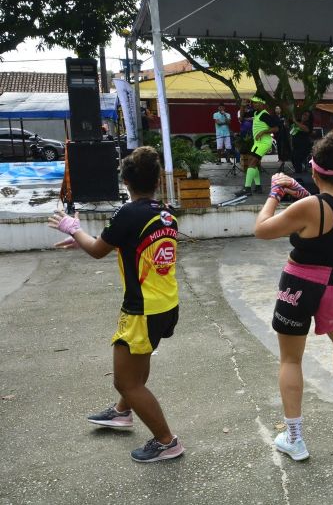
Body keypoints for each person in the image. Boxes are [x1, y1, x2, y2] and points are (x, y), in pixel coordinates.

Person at [47, 146, 184, 463]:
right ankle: (123, 411)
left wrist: (74, 229)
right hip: (166, 303)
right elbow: (122, 245)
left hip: (141, 309)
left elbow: (98, 250)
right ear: (157, 180)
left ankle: (166, 441)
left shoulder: (128, 213)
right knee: (139, 362)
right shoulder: (165, 213)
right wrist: (81, 239)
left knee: (126, 380)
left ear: (125, 181)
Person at [253, 131, 333, 461]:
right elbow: (329, 213)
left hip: (299, 284)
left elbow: (262, 229)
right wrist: (302, 193)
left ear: (314, 170)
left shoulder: (306, 208)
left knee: (291, 359)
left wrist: (275, 193)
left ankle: (294, 438)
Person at [236, 97, 279, 196]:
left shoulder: (264, 115)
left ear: (262, 104)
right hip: (258, 142)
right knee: (252, 162)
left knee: (251, 162)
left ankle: (247, 189)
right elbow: (241, 118)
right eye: (253, 103)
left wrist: (263, 131)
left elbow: (276, 129)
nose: (254, 104)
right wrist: (242, 106)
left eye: (256, 103)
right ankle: (258, 187)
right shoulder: (255, 113)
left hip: (263, 142)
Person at [291, 110, 314, 174]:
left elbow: (306, 129)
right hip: (296, 146)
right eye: (304, 114)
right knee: (293, 158)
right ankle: (298, 172)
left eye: (307, 115)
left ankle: (299, 175)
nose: (304, 116)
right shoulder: (299, 122)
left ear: (309, 117)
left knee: (297, 160)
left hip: (304, 146)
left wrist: (295, 121)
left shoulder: (308, 124)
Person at [274, 105, 292, 173]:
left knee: (285, 147)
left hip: (285, 134)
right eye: (276, 108)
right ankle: (281, 160)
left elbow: (288, 124)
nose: (277, 110)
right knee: (279, 147)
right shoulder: (274, 117)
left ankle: (285, 160)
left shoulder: (284, 117)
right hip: (278, 135)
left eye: (278, 108)